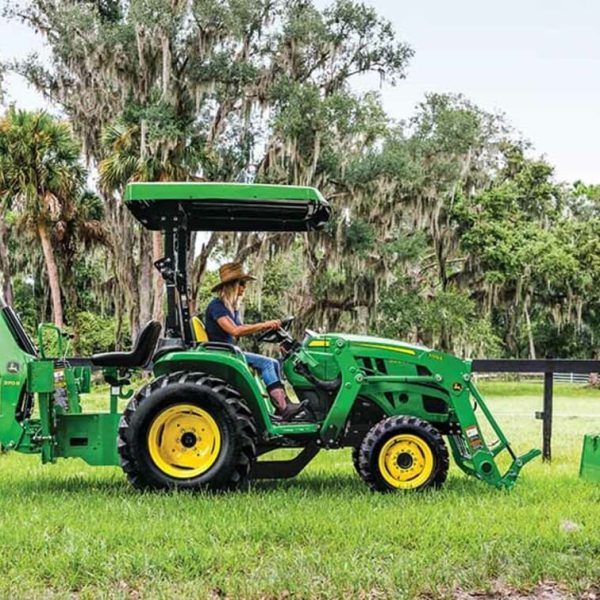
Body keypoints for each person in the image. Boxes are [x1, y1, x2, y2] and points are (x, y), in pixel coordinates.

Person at [204, 262, 304, 420]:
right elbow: (235, 330)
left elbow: (241, 328)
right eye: (242, 284)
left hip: (231, 352)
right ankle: (284, 407)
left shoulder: (232, 308)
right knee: (267, 364)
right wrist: (264, 325)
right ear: (232, 285)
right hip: (223, 353)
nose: (244, 288)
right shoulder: (217, 306)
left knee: (275, 363)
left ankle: (283, 406)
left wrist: (267, 328)